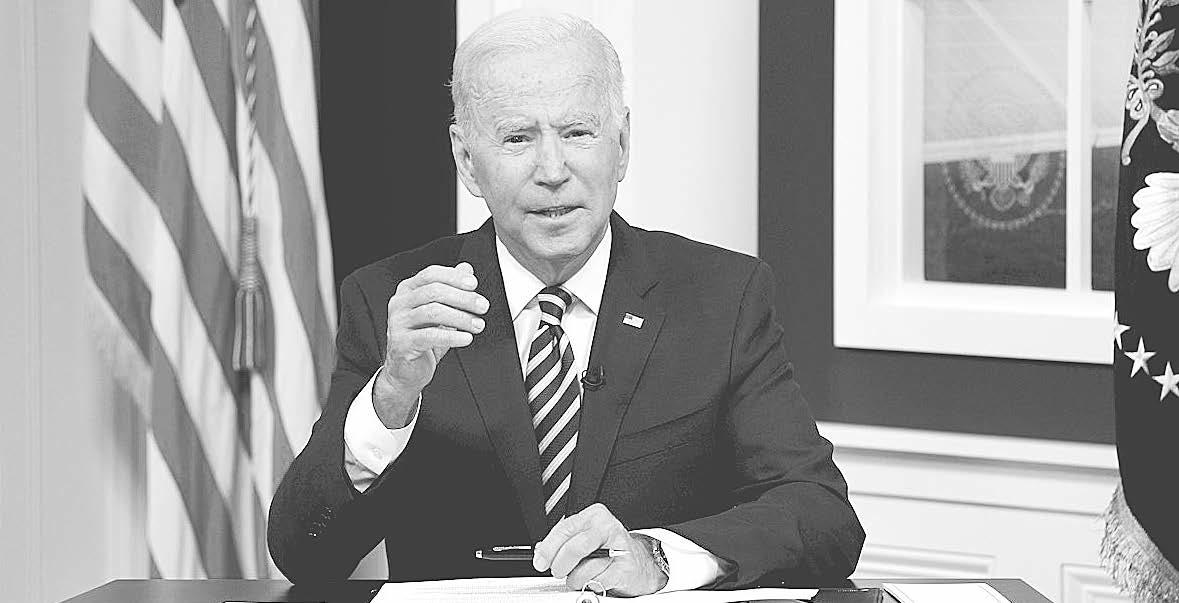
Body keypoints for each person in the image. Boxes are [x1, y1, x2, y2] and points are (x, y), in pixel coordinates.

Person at [267, 10, 864, 596]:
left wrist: (658, 558)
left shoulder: (721, 296)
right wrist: (392, 395)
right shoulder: (394, 302)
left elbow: (822, 517)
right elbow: (305, 554)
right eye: (517, 138)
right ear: (467, 160)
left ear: (621, 145)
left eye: (577, 133)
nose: (552, 171)